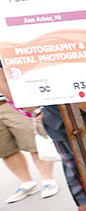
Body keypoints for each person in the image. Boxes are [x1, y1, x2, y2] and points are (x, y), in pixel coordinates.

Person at [0, 70, 58, 203]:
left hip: (9, 101)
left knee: (33, 142)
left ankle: (48, 180)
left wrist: (25, 105)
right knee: (5, 149)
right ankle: (27, 183)